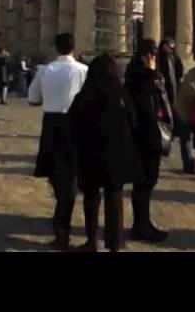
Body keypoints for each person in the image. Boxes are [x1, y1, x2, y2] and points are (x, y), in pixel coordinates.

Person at [68, 54, 143, 252]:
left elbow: (73, 125)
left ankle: (92, 241)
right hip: (117, 154)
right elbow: (134, 122)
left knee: (91, 197)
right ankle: (115, 242)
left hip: (91, 153)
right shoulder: (122, 95)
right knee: (114, 197)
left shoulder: (85, 96)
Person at [30, 33, 88, 251]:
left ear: (56, 48)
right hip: (74, 124)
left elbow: (33, 98)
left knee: (55, 173)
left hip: (51, 124)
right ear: (74, 48)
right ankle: (62, 223)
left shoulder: (45, 70)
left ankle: (60, 221)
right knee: (70, 175)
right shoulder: (83, 71)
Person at [124, 39, 173, 243]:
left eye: (154, 54)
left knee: (149, 181)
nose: (151, 58)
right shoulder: (136, 75)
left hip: (153, 134)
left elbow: (165, 93)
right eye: (148, 54)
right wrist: (151, 73)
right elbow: (143, 101)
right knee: (143, 182)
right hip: (142, 136)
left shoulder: (151, 75)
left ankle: (144, 223)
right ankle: (140, 226)